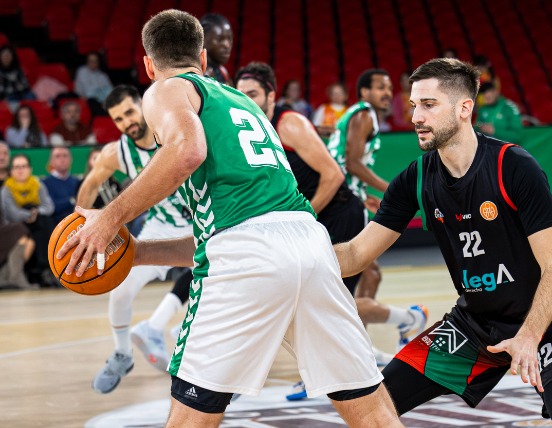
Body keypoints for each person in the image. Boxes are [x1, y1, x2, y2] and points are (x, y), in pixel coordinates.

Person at [58, 10, 402, 427]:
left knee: (190, 416)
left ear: (150, 65)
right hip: (310, 246)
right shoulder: (242, 103)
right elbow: (237, 222)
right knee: (368, 406)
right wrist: (139, 252)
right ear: (203, 58)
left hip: (247, 255)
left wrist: (109, 218)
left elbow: (188, 153)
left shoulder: (166, 89)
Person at [333, 57, 552, 419]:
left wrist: (529, 335)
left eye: (429, 105)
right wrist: (291, 257)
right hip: (476, 325)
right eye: (414, 105)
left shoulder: (513, 166)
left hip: (543, 321)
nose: (416, 116)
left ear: (465, 108)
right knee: (374, 405)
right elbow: (356, 253)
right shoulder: (415, 179)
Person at [235, 61, 428, 398]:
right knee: (337, 293)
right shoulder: (253, 126)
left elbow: (340, 169)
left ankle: (393, 331)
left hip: (334, 212)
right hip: (329, 210)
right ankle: (390, 332)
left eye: (252, 94)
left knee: (326, 299)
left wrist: (381, 190)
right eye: (240, 95)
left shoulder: (294, 121)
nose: (245, 101)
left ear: (271, 94)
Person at [76, 84, 194, 394]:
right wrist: (81, 223)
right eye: (117, 119)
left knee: (211, 300)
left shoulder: (172, 128)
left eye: (129, 112)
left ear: (141, 105)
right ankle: (123, 353)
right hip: (159, 228)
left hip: (202, 225)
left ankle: (209, 372)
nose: (126, 122)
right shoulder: (117, 152)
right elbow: (90, 185)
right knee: (120, 290)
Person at [325, 69, 392, 306]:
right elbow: (352, 163)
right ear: (365, 92)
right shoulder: (364, 115)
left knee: (360, 273)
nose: (388, 93)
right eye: (381, 88)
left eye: (389, 88)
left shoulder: (361, 115)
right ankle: (352, 337)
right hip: (340, 201)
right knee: (363, 275)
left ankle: (352, 336)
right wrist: (390, 189)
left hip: (343, 196)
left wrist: (362, 194)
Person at [0, 153, 57, 288]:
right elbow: (11, 213)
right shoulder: (6, 189)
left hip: (36, 221)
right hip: (14, 225)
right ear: (12, 171)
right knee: (43, 224)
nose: (20, 170)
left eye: (24, 166)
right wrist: (30, 214)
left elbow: (49, 206)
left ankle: (43, 270)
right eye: (17, 167)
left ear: (30, 169)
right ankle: (47, 269)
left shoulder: (37, 184)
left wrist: (35, 213)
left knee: (43, 223)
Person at [0, 141, 36, 290]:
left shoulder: (14, 179)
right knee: (21, 231)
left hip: (10, 223)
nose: (1, 157)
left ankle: (6, 277)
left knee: (29, 241)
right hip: (9, 224)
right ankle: (14, 277)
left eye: (4, 153)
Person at [42, 146, 81, 224]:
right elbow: (52, 208)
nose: (62, 159)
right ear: (51, 161)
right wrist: (72, 200)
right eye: (58, 156)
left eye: (65, 156)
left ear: (71, 160)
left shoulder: (77, 182)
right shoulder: (44, 183)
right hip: (56, 227)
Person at [200, 13, 233, 85]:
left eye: (229, 38)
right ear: (203, 39)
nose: (227, 45)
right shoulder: (196, 74)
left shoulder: (223, 72)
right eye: (220, 39)